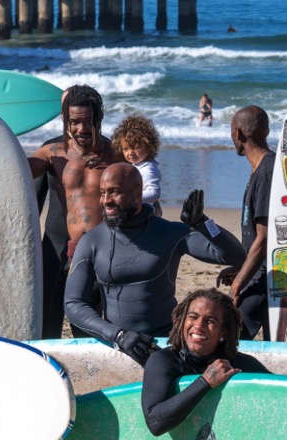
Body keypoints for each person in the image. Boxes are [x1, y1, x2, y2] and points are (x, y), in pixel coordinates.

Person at [65, 163, 245, 366]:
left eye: (115, 192)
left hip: (166, 343)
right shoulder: (92, 241)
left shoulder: (169, 233)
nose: (106, 201)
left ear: (137, 193)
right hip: (119, 344)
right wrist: (118, 335)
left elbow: (234, 255)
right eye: (102, 193)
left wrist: (203, 222)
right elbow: (73, 303)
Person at [29, 85, 114, 338]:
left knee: (94, 320)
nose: (81, 129)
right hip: (60, 246)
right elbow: (13, 168)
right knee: (48, 318)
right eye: (74, 122)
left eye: (88, 122)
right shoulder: (54, 153)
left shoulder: (115, 152)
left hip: (104, 248)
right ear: (66, 120)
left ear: (99, 119)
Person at [142, 289, 269, 436]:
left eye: (210, 321)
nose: (198, 325)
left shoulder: (237, 363)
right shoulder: (164, 361)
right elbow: (155, 424)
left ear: (223, 331)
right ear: (183, 321)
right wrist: (205, 382)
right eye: (193, 317)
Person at [217, 106, 274, 340]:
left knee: (230, 337)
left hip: (268, 277)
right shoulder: (261, 169)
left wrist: (238, 284)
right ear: (266, 131)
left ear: (238, 133)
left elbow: (265, 237)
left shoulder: (266, 173)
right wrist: (242, 269)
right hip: (260, 271)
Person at [111, 115, 163, 217]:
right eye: (126, 149)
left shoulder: (148, 169)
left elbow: (154, 193)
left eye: (135, 147)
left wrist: (129, 198)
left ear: (149, 146)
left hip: (146, 216)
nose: (130, 153)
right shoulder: (139, 165)